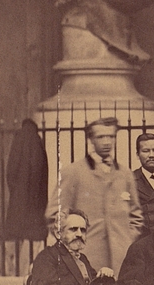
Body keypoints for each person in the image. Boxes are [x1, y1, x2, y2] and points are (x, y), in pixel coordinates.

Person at [46, 117, 142, 274]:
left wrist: (127, 239)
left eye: (111, 136)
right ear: (90, 139)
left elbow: (136, 215)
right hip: (85, 259)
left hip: (120, 259)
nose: (107, 142)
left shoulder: (125, 174)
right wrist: (72, 244)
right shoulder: (73, 173)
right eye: (101, 137)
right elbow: (54, 215)